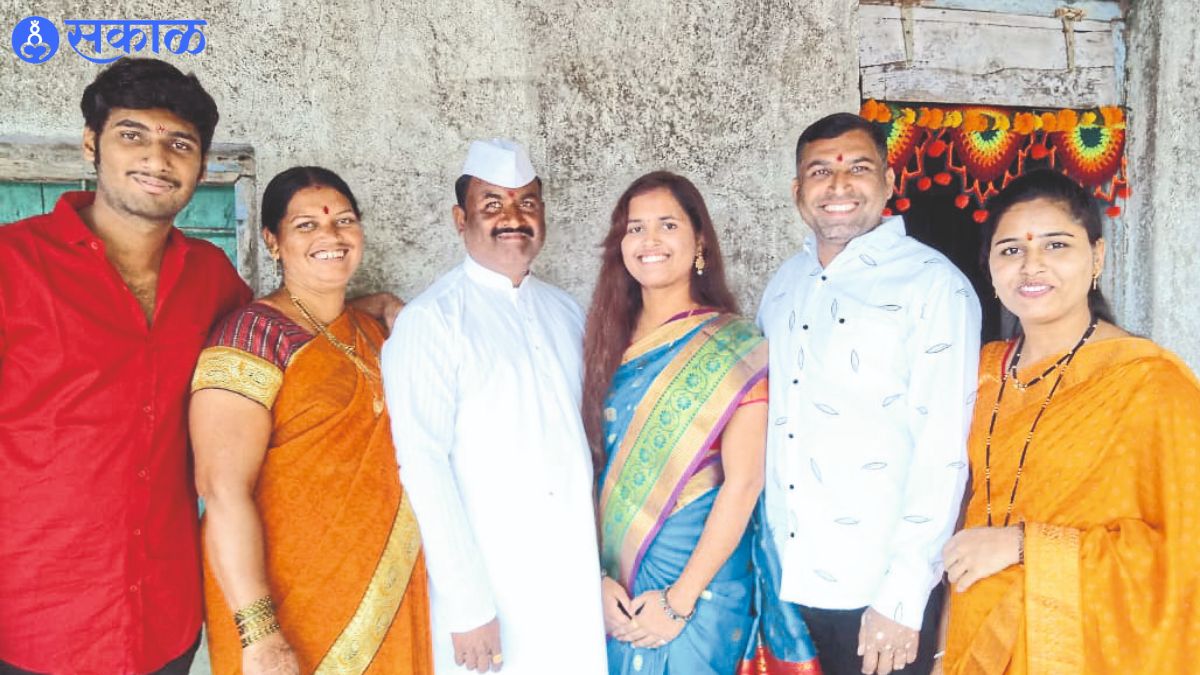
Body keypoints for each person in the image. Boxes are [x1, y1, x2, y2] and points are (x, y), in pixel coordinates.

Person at [0, 58, 400, 675]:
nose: (157, 159)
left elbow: (288, 331)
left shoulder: (210, 279)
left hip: (165, 619)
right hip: (35, 619)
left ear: (200, 162)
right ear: (91, 145)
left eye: (179, 143)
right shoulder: (14, 267)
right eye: (133, 134)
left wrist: (361, 306)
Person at [939, 169, 1200, 674]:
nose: (1032, 266)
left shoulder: (1149, 383)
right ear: (989, 267)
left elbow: (1185, 549)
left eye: (1056, 245)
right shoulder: (977, 370)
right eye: (1010, 250)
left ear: (1097, 257)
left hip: (1081, 650)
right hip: (972, 641)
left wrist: (1022, 544)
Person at [756, 112, 981, 675]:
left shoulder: (933, 285)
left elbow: (943, 448)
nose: (838, 185)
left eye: (858, 167)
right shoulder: (784, 284)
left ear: (888, 183)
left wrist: (903, 598)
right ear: (797, 190)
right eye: (819, 171)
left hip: (878, 593)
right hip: (784, 583)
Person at [190, 167, 432, 674]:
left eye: (344, 221)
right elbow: (223, 489)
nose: (331, 236)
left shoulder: (376, 330)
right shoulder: (251, 335)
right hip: (287, 608)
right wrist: (259, 636)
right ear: (272, 242)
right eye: (306, 226)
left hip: (385, 591)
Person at [380, 139, 607, 674]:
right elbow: (423, 465)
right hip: (492, 592)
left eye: (527, 203)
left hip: (572, 577)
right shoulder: (432, 320)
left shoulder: (566, 312)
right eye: (492, 205)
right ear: (461, 219)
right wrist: (467, 604)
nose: (512, 218)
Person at [583, 171, 820, 675]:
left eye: (667, 225)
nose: (649, 240)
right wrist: (594, 580)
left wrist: (679, 601)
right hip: (612, 585)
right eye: (634, 228)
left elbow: (745, 481)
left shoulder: (735, 345)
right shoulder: (604, 342)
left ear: (699, 241)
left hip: (700, 586)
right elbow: (586, 465)